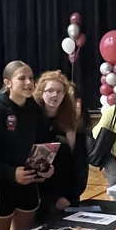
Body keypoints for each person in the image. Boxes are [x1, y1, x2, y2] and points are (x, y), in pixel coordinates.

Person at [0, 61, 54, 230]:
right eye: (22, 78)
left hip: (28, 186)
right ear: (8, 82)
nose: (28, 83)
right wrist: (10, 173)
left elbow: (42, 143)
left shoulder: (34, 109)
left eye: (31, 78)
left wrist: (45, 167)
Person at [33, 70, 86, 217]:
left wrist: (71, 196)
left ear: (64, 95)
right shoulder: (32, 120)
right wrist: (52, 198)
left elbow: (79, 163)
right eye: (50, 90)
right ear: (41, 92)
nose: (54, 95)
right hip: (39, 197)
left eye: (59, 91)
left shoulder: (71, 123)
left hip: (68, 197)